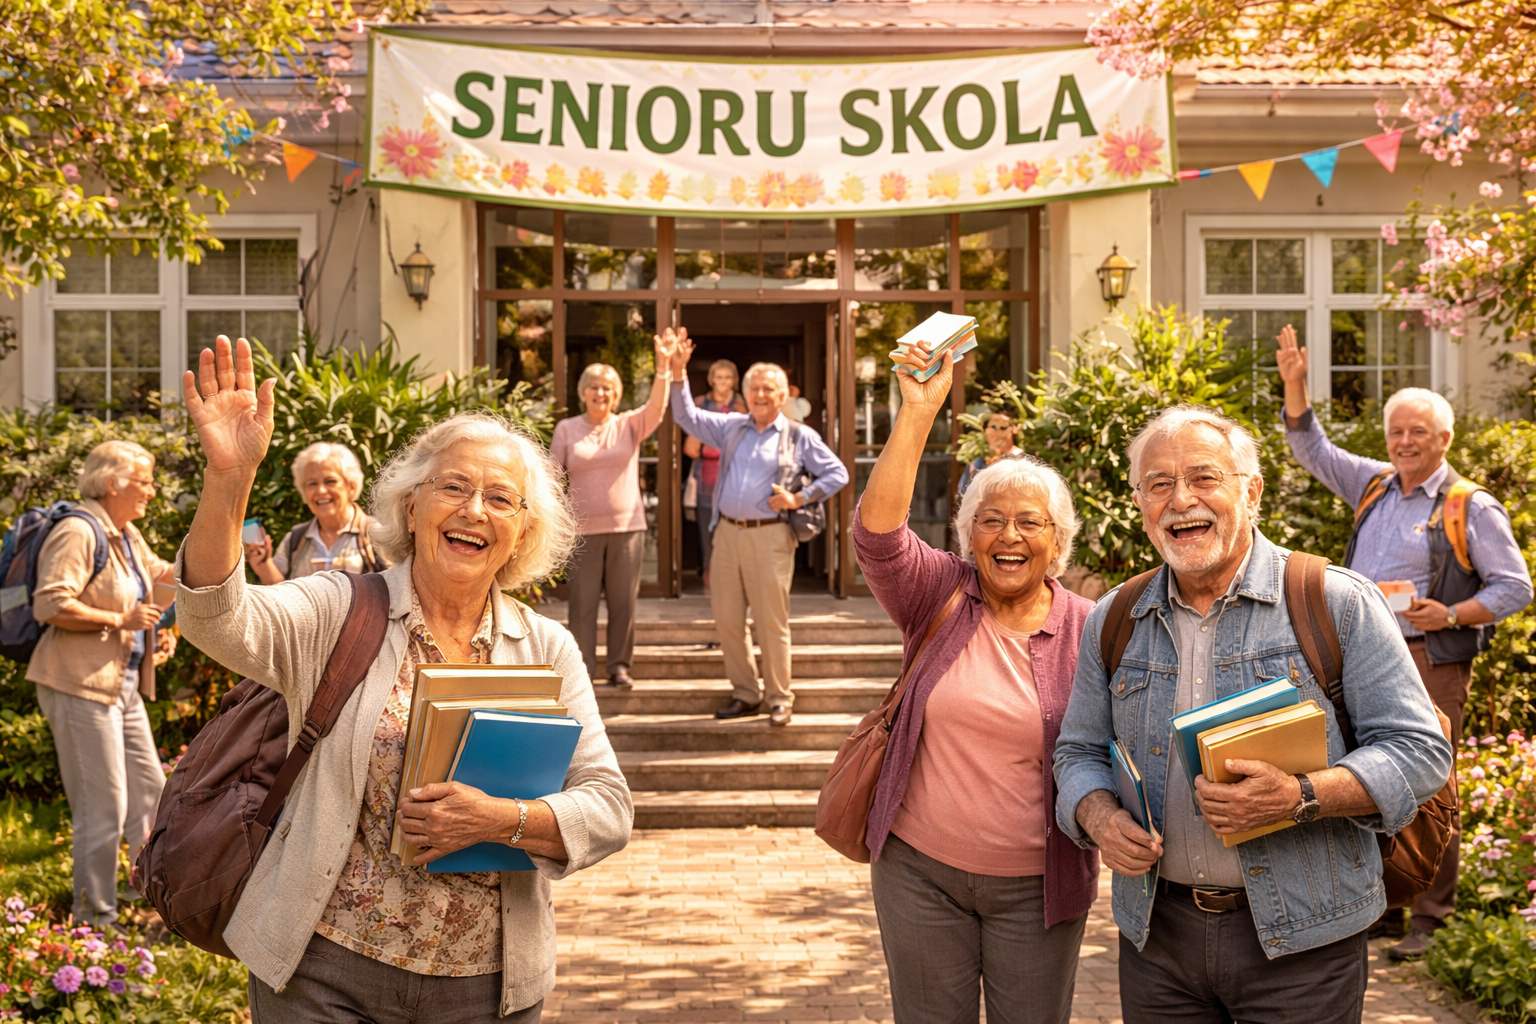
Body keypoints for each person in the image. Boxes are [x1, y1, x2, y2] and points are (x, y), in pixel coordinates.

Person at [175, 336, 632, 1024]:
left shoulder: (547, 648)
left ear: (522, 531)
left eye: (500, 498)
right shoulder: (338, 608)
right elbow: (215, 620)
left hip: (484, 987)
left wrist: (506, 820)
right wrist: (229, 482)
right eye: (453, 486)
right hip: (321, 971)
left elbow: (607, 806)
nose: (475, 509)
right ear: (412, 507)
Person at [1053, 404, 1452, 1024]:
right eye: (1159, 484)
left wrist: (1300, 795)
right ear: (1140, 504)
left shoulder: (1336, 600)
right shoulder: (1114, 618)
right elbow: (1077, 751)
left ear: (1252, 489)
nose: (1181, 499)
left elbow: (1417, 750)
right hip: (1158, 941)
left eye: (1204, 477)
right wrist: (1100, 818)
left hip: (1307, 942)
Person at [855, 351, 1099, 1024]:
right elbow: (877, 536)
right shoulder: (939, 592)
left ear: (1058, 543)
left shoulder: (1092, 629)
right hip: (918, 874)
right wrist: (917, 411)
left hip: (1038, 886)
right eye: (990, 520)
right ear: (967, 537)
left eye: (1030, 522)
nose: (1009, 535)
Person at [1275, 324, 1532, 958]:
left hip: (1430, 660)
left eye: (1419, 431)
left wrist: (1453, 613)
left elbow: (1515, 586)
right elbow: (1312, 448)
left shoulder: (1469, 505)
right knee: (1364, 775)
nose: (1405, 441)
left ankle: (1432, 919)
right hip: (1360, 658)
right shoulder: (1373, 485)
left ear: (1444, 440)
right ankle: (1383, 903)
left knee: (1431, 783)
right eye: (1397, 431)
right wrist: (1295, 385)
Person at [26, 440, 177, 927]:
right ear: (113, 483)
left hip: (122, 685)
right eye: (144, 482)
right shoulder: (78, 530)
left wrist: (165, 626)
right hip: (78, 685)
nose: (151, 492)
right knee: (103, 805)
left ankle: (148, 896)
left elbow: (165, 580)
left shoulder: (126, 534)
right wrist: (122, 618)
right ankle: (95, 918)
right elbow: (49, 603)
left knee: (151, 794)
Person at [668, 341, 850, 726]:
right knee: (728, 620)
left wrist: (800, 497)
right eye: (755, 388)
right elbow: (686, 415)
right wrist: (678, 372)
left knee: (771, 621)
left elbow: (838, 473)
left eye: (769, 388)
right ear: (745, 394)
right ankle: (746, 693)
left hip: (770, 538)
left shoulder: (799, 435)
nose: (761, 394)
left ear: (782, 395)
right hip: (727, 536)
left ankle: (780, 697)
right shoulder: (733, 426)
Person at [550, 332, 680, 688]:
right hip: (582, 532)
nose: (600, 393)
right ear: (583, 392)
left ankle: (619, 666)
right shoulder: (567, 429)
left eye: (607, 388)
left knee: (624, 603)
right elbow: (550, 477)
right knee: (582, 606)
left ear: (615, 394)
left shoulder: (628, 425)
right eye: (594, 386)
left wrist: (663, 367)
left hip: (627, 529)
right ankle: (583, 670)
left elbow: (657, 406)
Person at [244, 442, 389, 583]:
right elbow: (280, 595)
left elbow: (398, 589)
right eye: (312, 484)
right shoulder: (295, 539)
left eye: (330, 481)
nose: (320, 491)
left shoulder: (377, 534)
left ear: (351, 486)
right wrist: (263, 565)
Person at [682, 359, 747, 595]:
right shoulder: (700, 403)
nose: (722, 382)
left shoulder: (742, 406)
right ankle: (709, 581)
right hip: (706, 479)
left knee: (734, 530)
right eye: (718, 377)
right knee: (706, 531)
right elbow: (690, 448)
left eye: (727, 377)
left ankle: (733, 582)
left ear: (734, 380)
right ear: (711, 379)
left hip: (735, 480)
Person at [957, 411, 1024, 496]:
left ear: (1014, 429)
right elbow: (963, 494)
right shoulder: (977, 463)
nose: (997, 432)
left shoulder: (1023, 460)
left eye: (1002, 427)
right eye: (993, 427)